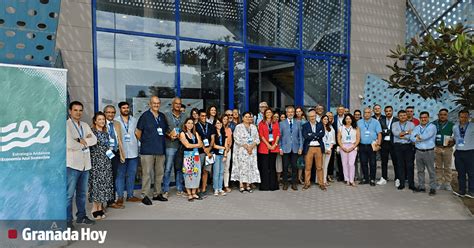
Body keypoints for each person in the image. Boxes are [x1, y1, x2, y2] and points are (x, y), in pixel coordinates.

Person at [66, 101, 97, 227]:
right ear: (70, 111)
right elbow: (70, 144)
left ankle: (81, 216)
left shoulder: (84, 125)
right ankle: (68, 221)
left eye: (80, 110)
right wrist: (85, 141)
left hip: (85, 164)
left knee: (82, 194)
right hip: (73, 165)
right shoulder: (66, 125)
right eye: (75, 110)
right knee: (69, 195)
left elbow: (94, 140)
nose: (78, 113)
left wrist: (79, 140)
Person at [135, 96, 168, 204]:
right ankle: (144, 195)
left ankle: (157, 194)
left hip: (160, 150)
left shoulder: (162, 116)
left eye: (158, 103)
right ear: (150, 104)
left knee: (159, 174)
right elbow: (137, 133)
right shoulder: (145, 116)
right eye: (154, 103)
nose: (156, 105)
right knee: (147, 174)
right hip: (147, 151)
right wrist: (146, 142)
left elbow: (165, 131)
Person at [89, 112, 115, 219]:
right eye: (99, 119)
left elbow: (109, 146)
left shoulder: (106, 133)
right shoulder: (91, 133)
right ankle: (94, 208)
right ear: (95, 121)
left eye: (103, 119)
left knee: (104, 185)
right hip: (96, 162)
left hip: (106, 162)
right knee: (96, 185)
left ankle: (100, 207)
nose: (102, 121)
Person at [115, 101, 141, 203]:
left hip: (133, 152)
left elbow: (138, 134)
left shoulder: (135, 120)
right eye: (123, 108)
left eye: (127, 107)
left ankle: (130, 196)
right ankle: (120, 197)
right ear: (120, 109)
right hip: (122, 153)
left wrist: (139, 148)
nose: (126, 109)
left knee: (131, 175)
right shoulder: (116, 121)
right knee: (120, 175)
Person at [163, 97, 187, 198]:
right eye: (176, 104)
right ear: (172, 104)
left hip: (180, 145)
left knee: (180, 169)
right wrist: (169, 135)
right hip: (170, 145)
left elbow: (187, 128)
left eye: (180, 104)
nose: (178, 105)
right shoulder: (166, 115)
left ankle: (179, 188)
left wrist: (181, 134)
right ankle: (165, 190)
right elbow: (163, 129)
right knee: (168, 168)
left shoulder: (185, 116)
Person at [231, 111, 261, 192]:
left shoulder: (254, 127)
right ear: (243, 118)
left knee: (250, 167)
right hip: (242, 151)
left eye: (249, 117)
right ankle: (241, 185)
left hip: (252, 151)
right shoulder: (238, 127)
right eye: (246, 117)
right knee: (242, 167)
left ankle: (248, 185)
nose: (248, 118)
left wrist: (251, 147)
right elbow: (236, 139)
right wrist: (247, 147)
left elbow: (257, 139)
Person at [410, 111, 437, 195]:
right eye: (422, 118)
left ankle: (433, 188)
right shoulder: (417, 127)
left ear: (428, 118)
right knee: (420, 170)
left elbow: (426, 136)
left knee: (431, 170)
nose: (423, 119)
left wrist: (417, 137)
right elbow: (411, 138)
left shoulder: (432, 127)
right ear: (420, 118)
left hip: (429, 151)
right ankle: (421, 186)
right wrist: (416, 138)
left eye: (425, 117)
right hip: (419, 151)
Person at [103, 105, 124, 209]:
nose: (110, 114)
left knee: (112, 178)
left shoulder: (117, 124)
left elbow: (119, 139)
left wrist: (121, 153)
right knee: (103, 178)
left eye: (112, 112)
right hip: (103, 154)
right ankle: (100, 203)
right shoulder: (100, 123)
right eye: (108, 112)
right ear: (104, 113)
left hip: (114, 154)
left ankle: (111, 201)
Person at [179, 118, 204, 202]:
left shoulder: (195, 133)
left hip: (196, 157)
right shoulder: (182, 134)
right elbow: (187, 145)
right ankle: (189, 193)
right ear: (185, 124)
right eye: (188, 123)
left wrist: (194, 145)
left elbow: (201, 144)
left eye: (192, 123)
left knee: (197, 173)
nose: (190, 124)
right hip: (187, 157)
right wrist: (196, 145)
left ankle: (194, 192)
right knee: (188, 174)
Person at [279, 106, 303, 191]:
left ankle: (294, 183)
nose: (290, 113)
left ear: (294, 113)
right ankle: (285, 183)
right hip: (285, 148)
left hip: (295, 148)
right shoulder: (282, 123)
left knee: (294, 166)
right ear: (286, 113)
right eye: (288, 112)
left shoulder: (298, 122)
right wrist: (280, 148)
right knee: (285, 166)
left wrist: (300, 147)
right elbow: (280, 137)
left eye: (292, 112)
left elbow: (300, 136)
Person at [357, 107, 382, 186]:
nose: (367, 114)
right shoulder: (359, 122)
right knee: (363, 163)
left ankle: (372, 179)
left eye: (368, 112)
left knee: (372, 163)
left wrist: (378, 144)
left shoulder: (376, 122)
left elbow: (379, 134)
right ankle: (366, 179)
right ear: (363, 113)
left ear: (371, 113)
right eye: (365, 112)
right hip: (362, 145)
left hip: (372, 145)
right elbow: (356, 134)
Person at [392, 110, 416, 190]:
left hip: (408, 146)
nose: (403, 117)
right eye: (401, 115)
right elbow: (396, 134)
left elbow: (412, 135)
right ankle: (401, 183)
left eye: (404, 115)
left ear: (407, 116)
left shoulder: (411, 124)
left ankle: (411, 184)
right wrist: (406, 132)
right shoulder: (394, 124)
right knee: (400, 165)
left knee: (410, 165)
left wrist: (403, 135)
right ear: (398, 117)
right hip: (398, 146)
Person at [302, 109, 325, 190]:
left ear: (316, 116)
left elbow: (322, 134)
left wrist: (312, 135)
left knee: (319, 167)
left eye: (313, 116)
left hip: (318, 148)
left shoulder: (320, 124)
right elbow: (305, 136)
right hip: (309, 148)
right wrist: (316, 135)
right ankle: (307, 183)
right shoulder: (305, 125)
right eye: (310, 116)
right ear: (308, 117)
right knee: (308, 167)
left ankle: (321, 183)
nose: (312, 118)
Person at [452, 110, 474, 198]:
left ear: (468, 117)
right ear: (459, 117)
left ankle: (472, 191)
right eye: (462, 117)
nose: (464, 119)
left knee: (471, 173)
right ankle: (462, 190)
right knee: (461, 173)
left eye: (466, 117)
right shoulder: (455, 127)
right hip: (459, 152)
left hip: (470, 152)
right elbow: (456, 138)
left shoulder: (472, 126)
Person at [258, 108, 280, 191]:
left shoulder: (275, 123)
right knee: (264, 167)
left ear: (272, 113)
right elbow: (261, 135)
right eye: (267, 112)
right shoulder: (261, 123)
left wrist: (275, 144)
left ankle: (273, 186)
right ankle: (265, 186)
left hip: (273, 146)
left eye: (270, 112)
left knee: (272, 166)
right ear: (264, 114)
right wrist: (268, 145)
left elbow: (278, 134)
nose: (268, 114)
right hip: (264, 147)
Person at [432, 108, 454, 191]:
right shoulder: (434, 124)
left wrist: (453, 142)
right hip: (437, 148)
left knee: (448, 167)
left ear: (447, 115)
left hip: (448, 148)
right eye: (441, 114)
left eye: (444, 114)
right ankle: (439, 182)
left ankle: (448, 183)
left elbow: (455, 136)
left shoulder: (452, 125)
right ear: (438, 115)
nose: (442, 116)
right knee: (438, 166)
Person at [377, 105, 399, 185]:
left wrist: (388, 131)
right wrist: (386, 132)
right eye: (387, 111)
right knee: (384, 161)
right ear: (384, 112)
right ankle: (384, 178)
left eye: (390, 111)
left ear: (392, 111)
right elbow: (379, 131)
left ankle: (397, 178)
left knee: (395, 161)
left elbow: (396, 131)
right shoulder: (381, 120)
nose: (388, 112)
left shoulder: (396, 120)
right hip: (384, 143)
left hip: (393, 143)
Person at [195, 109, 215, 195]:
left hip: (209, 151)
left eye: (205, 116)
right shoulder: (195, 126)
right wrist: (206, 151)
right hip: (200, 152)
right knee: (198, 171)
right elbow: (198, 139)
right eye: (202, 116)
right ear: (199, 116)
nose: (204, 117)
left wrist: (209, 148)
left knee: (206, 171)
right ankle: (196, 189)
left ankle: (203, 188)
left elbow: (213, 138)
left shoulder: (210, 126)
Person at [338, 114, 360, 186]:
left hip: (353, 146)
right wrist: (342, 147)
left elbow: (358, 139)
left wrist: (353, 147)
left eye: (349, 119)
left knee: (351, 164)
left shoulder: (356, 128)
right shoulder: (341, 128)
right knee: (344, 164)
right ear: (344, 119)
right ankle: (347, 179)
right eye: (347, 118)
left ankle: (352, 180)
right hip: (343, 146)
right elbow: (338, 138)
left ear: (352, 119)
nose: (348, 120)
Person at [211, 118, 228, 196]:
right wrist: (223, 148)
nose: (219, 124)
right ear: (215, 125)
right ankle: (216, 189)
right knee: (216, 172)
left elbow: (226, 145)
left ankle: (220, 188)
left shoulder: (224, 133)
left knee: (221, 172)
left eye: (220, 123)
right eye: (217, 123)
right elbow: (214, 145)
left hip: (222, 155)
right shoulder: (213, 134)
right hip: (216, 155)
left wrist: (225, 155)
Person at [332, 106, 346, 181]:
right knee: (339, 159)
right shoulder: (334, 118)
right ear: (337, 110)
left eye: (342, 109)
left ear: (344, 110)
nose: (340, 111)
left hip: (346, 141)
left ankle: (346, 175)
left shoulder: (347, 117)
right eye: (339, 109)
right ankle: (340, 176)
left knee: (346, 159)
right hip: (337, 141)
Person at [321, 115, 335, 187]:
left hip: (329, 150)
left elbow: (332, 140)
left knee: (326, 166)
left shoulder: (330, 128)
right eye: (324, 119)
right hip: (322, 150)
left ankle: (325, 180)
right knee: (321, 166)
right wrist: (324, 149)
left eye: (327, 119)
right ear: (322, 120)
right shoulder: (319, 128)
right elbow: (319, 140)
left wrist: (329, 149)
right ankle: (321, 181)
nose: (326, 120)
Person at [295, 106, 307, 184]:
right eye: (297, 112)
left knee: (301, 162)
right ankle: (295, 177)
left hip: (303, 143)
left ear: (302, 112)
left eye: (299, 111)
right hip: (294, 144)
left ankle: (299, 178)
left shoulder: (305, 122)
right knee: (294, 162)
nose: (298, 113)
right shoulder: (293, 121)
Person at [222, 114, 233, 192]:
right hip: (220, 150)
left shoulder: (229, 129)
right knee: (219, 169)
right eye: (224, 119)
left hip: (228, 150)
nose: (225, 120)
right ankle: (219, 185)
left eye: (226, 119)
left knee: (227, 168)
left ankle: (226, 185)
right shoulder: (218, 128)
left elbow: (231, 140)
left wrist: (228, 147)